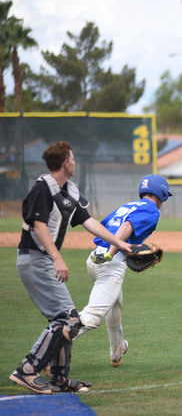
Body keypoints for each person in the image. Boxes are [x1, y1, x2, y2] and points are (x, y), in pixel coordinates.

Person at [10, 141, 131, 395]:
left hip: (43, 260)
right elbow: (39, 226)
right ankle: (27, 370)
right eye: (73, 159)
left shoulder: (69, 192)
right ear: (65, 162)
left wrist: (118, 242)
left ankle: (58, 379)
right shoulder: (43, 189)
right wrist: (57, 258)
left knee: (69, 319)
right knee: (66, 319)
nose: (75, 162)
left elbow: (89, 222)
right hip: (34, 258)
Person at [74, 174, 172, 367]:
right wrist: (111, 253)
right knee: (93, 317)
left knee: (115, 304)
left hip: (95, 258)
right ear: (161, 193)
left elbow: (103, 228)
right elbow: (127, 226)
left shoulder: (128, 205)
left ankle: (117, 350)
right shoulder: (152, 209)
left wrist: (105, 252)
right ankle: (53, 346)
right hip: (110, 261)